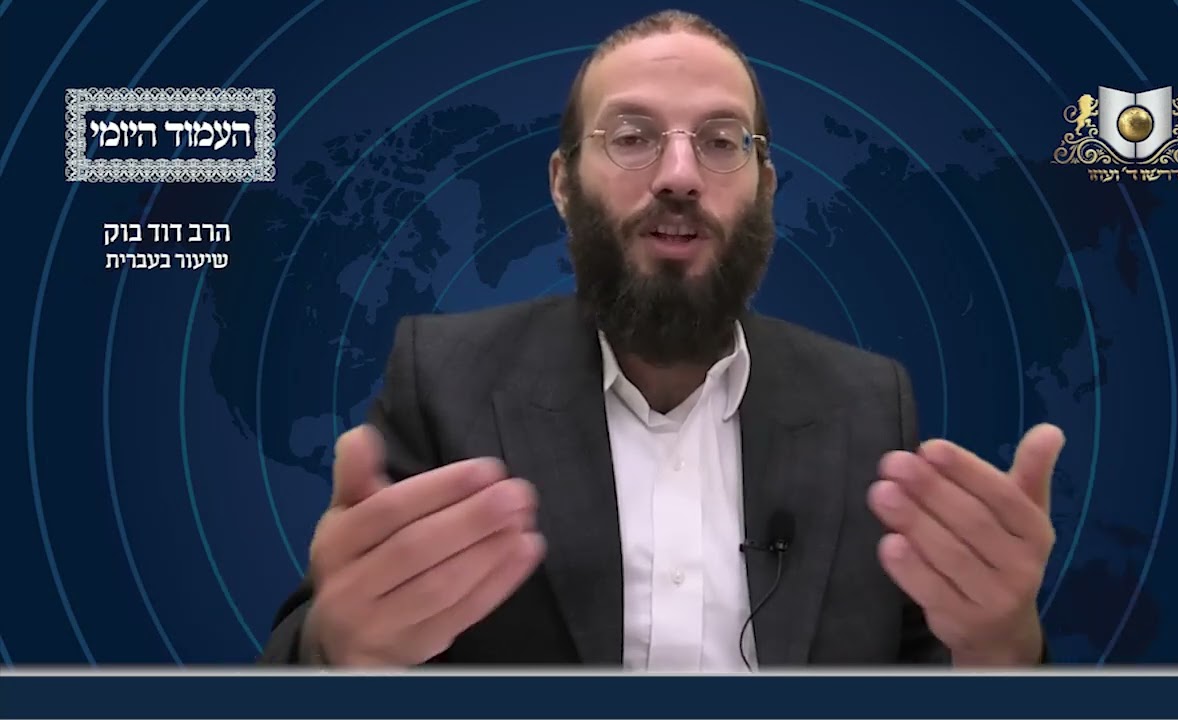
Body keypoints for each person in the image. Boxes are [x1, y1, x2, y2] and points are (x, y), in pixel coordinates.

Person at [258, 9, 1060, 670]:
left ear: (764, 188)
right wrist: (336, 648)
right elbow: (305, 650)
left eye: (721, 140)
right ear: (563, 184)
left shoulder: (871, 402)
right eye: (633, 136)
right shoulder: (442, 378)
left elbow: (931, 667)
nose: (679, 174)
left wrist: (1002, 646)